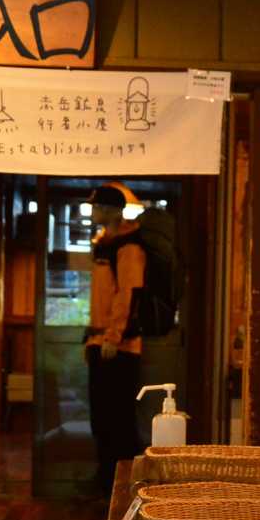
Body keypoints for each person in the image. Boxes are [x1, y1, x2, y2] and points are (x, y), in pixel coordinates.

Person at [85, 182, 146, 491]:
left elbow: (128, 295)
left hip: (119, 347)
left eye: (96, 206)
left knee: (118, 420)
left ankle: (124, 487)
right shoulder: (105, 243)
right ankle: (105, 481)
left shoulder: (128, 247)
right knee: (101, 418)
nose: (92, 211)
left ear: (110, 210)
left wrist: (113, 336)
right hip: (101, 343)